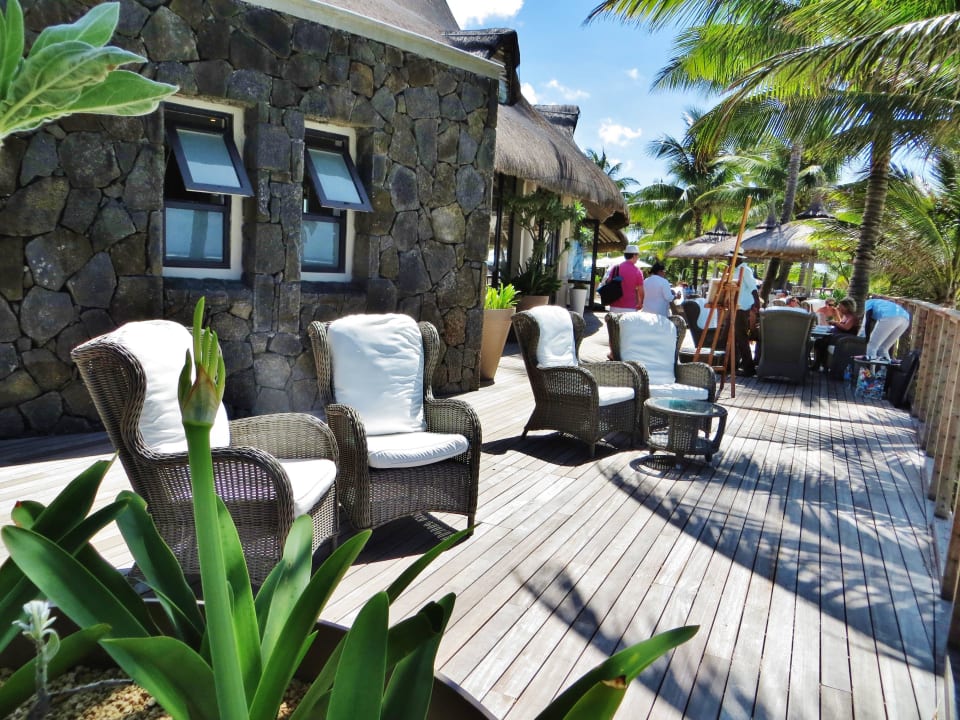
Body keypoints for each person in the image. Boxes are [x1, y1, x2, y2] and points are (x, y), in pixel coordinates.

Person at [731, 253, 760, 377]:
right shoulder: (734, 270)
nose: (729, 259)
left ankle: (749, 368)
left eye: (731, 257)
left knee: (741, 337)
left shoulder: (745, 270)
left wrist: (757, 302)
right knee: (736, 337)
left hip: (742, 308)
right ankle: (735, 364)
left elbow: (753, 288)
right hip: (735, 307)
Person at [813, 297, 858, 371]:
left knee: (821, 342)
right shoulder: (845, 316)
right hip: (838, 337)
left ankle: (821, 365)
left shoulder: (852, 317)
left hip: (843, 339)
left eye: (841, 307)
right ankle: (821, 364)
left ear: (847, 307)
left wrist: (835, 323)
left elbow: (846, 328)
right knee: (819, 341)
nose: (839, 308)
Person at [603, 244, 645, 313]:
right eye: (637, 255)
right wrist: (641, 303)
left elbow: (609, 282)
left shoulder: (615, 268)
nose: (638, 257)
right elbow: (641, 291)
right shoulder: (637, 271)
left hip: (614, 306)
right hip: (629, 307)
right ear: (634, 255)